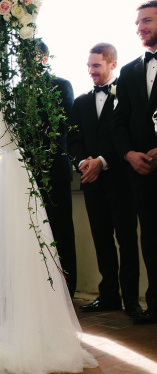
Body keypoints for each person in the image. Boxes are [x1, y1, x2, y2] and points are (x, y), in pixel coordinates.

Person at [68, 43, 142, 317]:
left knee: (126, 239)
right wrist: (82, 162)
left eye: (96, 65)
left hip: (121, 181)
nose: (91, 71)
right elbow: (72, 139)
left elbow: (127, 135)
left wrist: (103, 161)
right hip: (92, 183)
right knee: (101, 238)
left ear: (112, 63)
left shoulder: (127, 95)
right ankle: (108, 295)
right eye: (88, 66)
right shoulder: (81, 102)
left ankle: (131, 300)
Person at [112, 0, 157, 325]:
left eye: (148, 20)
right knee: (151, 239)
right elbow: (119, 122)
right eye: (138, 22)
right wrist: (129, 154)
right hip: (142, 173)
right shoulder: (129, 71)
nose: (140, 26)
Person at [34, 41, 78, 298]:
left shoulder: (61, 85)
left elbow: (63, 127)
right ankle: (41, 288)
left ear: (45, 58)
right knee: (35, 231)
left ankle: (67, 288)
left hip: (55, 168)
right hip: (27, 170)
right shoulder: (17, 91)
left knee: (61, 228)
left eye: (32, 57)